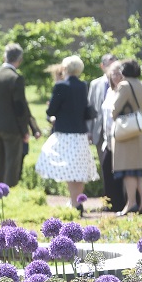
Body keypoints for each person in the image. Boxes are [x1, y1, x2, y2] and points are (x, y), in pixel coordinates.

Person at [34, 56, 99, 214]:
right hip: (80, 133)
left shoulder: (60, 86)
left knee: (70, 169)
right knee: (79, 170)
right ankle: (76, 202)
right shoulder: (83, 85)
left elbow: (51, 111)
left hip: (65, 133)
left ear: (65, 68)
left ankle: (76, 204)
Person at [0, 42, 40, 187]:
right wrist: (26, 130)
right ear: (19, 60)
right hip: (11, 127)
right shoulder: (15, 78)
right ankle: (9, 194)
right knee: (11, 163)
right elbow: (20, 108)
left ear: (5, 57)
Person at [110, 59, 142, 215]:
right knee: (138, 170)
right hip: (140, 131)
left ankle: (131, 203)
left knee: (128, 170)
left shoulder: (125, 86)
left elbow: (115, 110)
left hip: (127, 133)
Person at [88, 53, 126, 212]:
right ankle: (108, 202)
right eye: (109, 66)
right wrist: (89, 130)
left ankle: (123, 201)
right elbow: (90, 108)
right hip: (100, 134)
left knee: (119, 168)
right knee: (106, 170)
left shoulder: (123, 86)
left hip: (119, 134)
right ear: (102, 66)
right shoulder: (95, 84)